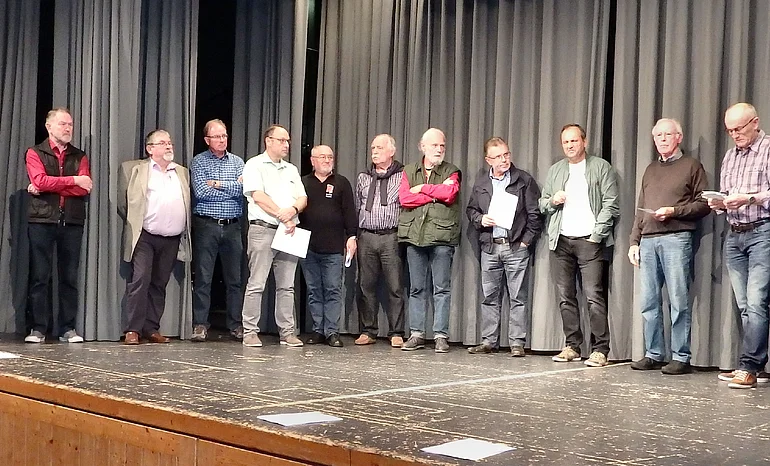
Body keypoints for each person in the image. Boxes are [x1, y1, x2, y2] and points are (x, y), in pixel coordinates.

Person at [628, 119, 710, 374]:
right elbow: (640, 209)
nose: (662, 139)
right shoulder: (651, 169)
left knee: (678, 300)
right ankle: (653, 353)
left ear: (679, 137)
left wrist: (674, 211)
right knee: (649, 301)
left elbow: (704, 204)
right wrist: (634, 241)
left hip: (677, 237)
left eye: (667, 134)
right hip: (648, 240)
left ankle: (680, 356)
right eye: (658, 136)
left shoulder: (692, 166)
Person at [539, 123, 619, 366]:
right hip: (561, 241)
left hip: (589, 241)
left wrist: (597, 234)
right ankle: (572, 345)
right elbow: (542, 204)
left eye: (574, 141)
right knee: (566, 296)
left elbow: (611, 203)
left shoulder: (600, 167)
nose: (570, 145)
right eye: (565, 142)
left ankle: (600, 349)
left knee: (594, 296)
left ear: (584, 142)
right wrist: (553, 201)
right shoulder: (556, 170)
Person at [709, 103, 770, 389]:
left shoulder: (767, 149)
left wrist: (748, 198)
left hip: (762, 232)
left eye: (739, 128)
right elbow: (726, 193)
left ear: (755, 123)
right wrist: (720, 203)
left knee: (757, 302)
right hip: (735, 235)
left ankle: (749, 366)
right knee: (745, 305)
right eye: (729, 130)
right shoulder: (730, 156)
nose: (735, 135)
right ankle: (755, 366)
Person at [466, 137, 542, 356]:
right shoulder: (481, 182)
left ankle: (517, 343)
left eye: (506, 154)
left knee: (518, 297)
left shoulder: (523, 180)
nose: (504, 159)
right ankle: (489, 341)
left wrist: (526, 241)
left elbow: (534, 214)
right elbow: (471, 210)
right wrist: (481, 219)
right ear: (488, 160)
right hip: (490, 247)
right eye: (498, 156)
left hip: (515, 246)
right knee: (489, 296)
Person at [24, 107, 92, 343]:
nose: (68, 128)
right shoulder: (35, 152)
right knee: (40, 276)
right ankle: (38, 328)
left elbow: (84, 188)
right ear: (49, 126)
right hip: (42, 220)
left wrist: (46, 186)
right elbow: (40, 180)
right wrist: (73, 180)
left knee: (69, 278)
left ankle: (67, 328)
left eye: (70, 124)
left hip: (71, 221)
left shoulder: (79, 156)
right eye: (63, 124)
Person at [118, 130, 191, 345]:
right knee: (140, 280)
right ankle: (133, 329)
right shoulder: (136, 170)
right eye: (162, 143)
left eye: (170, 143)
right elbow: (124, 204)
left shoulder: (181, 172)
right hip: (145, 236)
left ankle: (152, 328)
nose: (168, 146)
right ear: (150, 149)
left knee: (160, 283)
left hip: (171, 238)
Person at [241, 124, 307, 347]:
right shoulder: (254, 164)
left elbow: (302, 198)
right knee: (257, 283)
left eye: (287, 141)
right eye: (281, 140)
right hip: (263, 229)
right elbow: (258, 196)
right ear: (268, 141)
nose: (286, 144)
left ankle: (287, 333)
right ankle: (250, 332)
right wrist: (283, 215)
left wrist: (293, 210)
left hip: (289, 232)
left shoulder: (291, 169)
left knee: (287, 286)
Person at [399, 128, 461, 353]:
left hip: (442, 237)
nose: (439, 149)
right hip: (415, 237)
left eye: (442, 145)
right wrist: (434, 195)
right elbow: (405, 198)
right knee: (416, 288)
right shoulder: (409, 170)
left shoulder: (451, 171)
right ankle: (416, 334)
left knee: (441, 289)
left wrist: (423, 189)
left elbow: (449, 194)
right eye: (435, 145)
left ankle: (440, 336)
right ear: (422, 147)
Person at [190, 119, 245, 342]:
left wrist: (218, 184)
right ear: (207, 140)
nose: (222, 140)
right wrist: (230, 187)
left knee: (235, 280)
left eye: (224, 136)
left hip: (233, 226)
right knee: (204, 278)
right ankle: (200, 324)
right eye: (217, 136)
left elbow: (243, 189)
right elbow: (201, 192)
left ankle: (236, 324)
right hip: (207, 225)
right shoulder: (199, 162)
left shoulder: (238, 162)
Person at [299, 145, 357, 347]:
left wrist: (352, 236)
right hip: (308, 246)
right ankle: (318, 330)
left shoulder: (341, 183)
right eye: (322, 157)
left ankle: (332, 331)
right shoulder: (303, 183)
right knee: (314, 290)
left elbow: (350, 212)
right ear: (312, 160)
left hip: (333, 248)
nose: (327, 160)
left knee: (333, 289)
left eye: (330, 157)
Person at [354, 134, 406, 347]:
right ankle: (368, 330)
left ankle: (396, 332)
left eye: (380, 148)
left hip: (391, 237)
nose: (374, 152)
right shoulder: (363, 177)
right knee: (366, 286)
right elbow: (358, 205)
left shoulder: (403, 176)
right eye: (373, 148)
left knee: (395, 286)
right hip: (367, 236)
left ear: (391, 151)